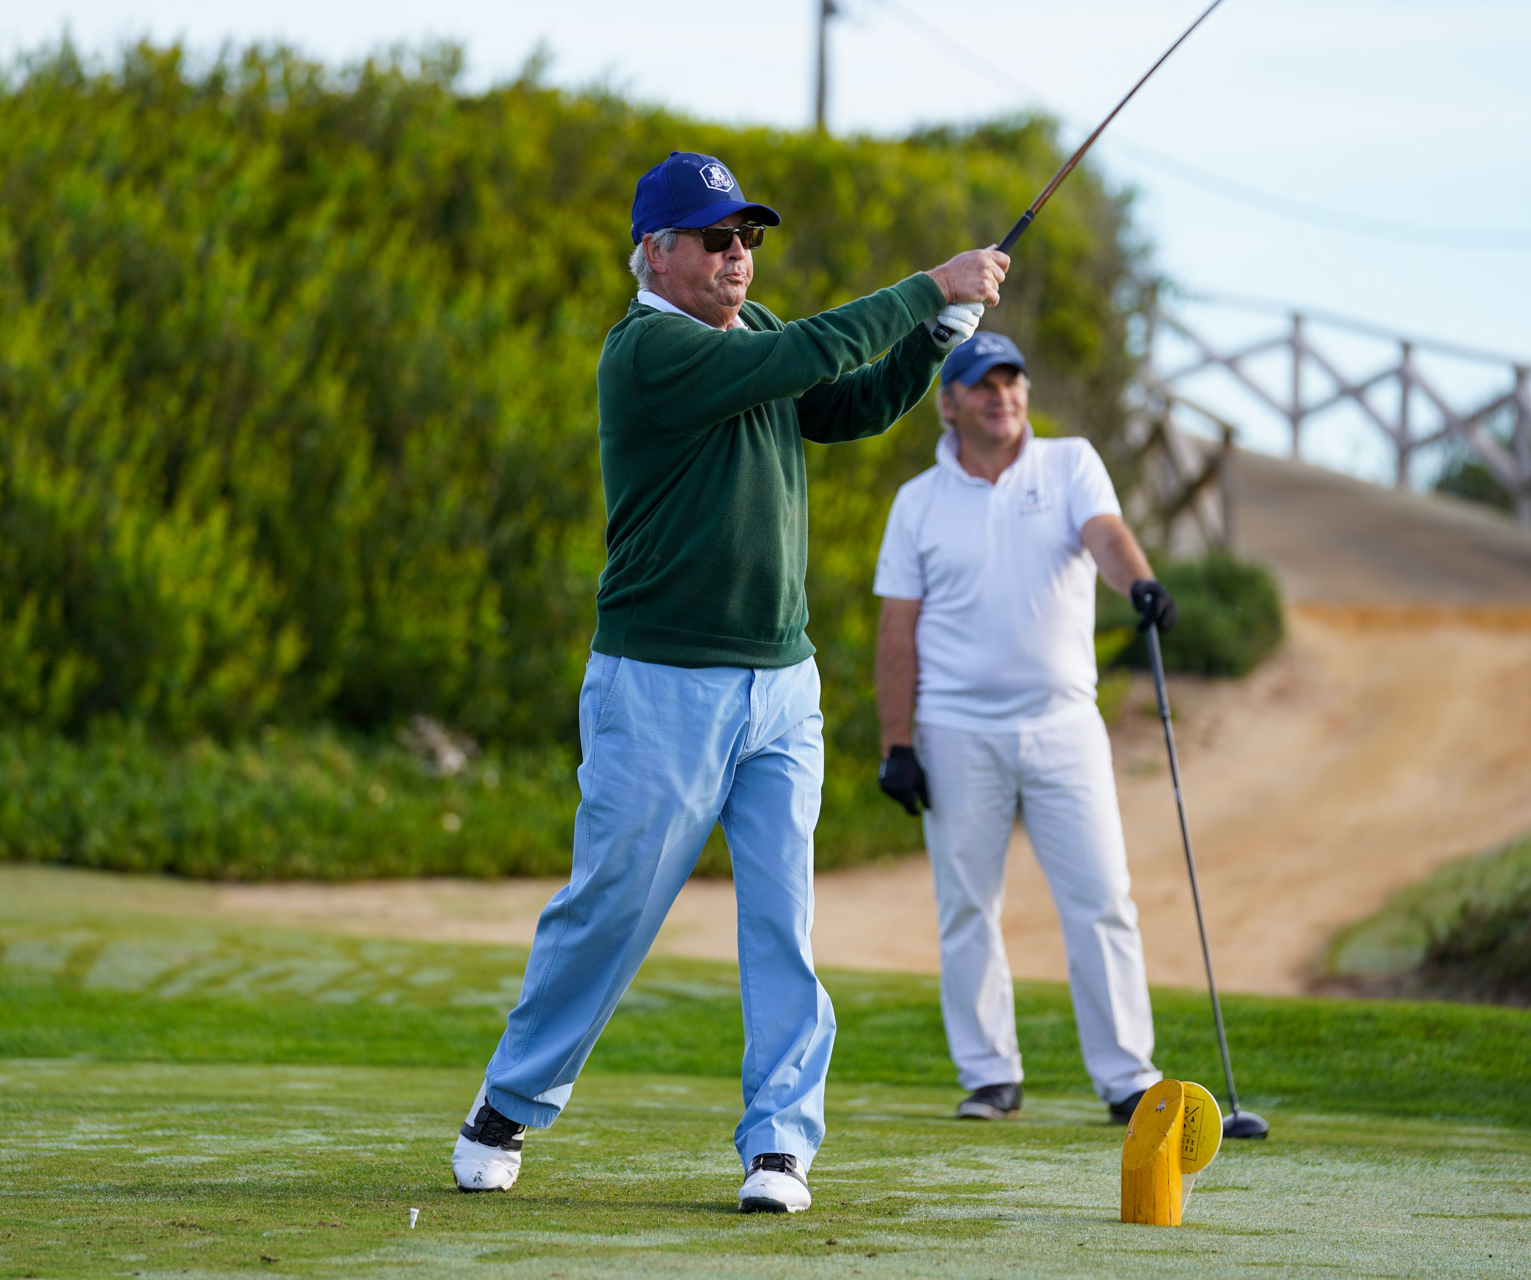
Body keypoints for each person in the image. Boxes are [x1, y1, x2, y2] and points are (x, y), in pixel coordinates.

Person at [451, 150, 1008, 1214]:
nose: (738, 255)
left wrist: (938, 337)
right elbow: (809, 353)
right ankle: (509, 1100)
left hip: (780, 685)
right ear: (656, 252)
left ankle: (780, 1144)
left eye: (747, 237)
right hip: (659, 682)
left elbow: (847, 404)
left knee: (782, 922)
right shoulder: (646, 349)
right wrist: (927, 286)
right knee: (611, 909)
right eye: (716, 238)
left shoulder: (753, 335)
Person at [871, 331, 1177, 1125]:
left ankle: (1127, 1077)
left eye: (1011, 381)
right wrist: (896, 745)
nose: (1001, 395)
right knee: (967, 906)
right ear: (949, 403)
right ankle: (989, 1076)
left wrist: (1140, 585)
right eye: (983, 384)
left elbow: (1106, 538)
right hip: (955, 730)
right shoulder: (917, 503)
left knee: (1102, 898)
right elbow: (897, 632)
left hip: (1064, 725)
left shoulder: (1070, 464)